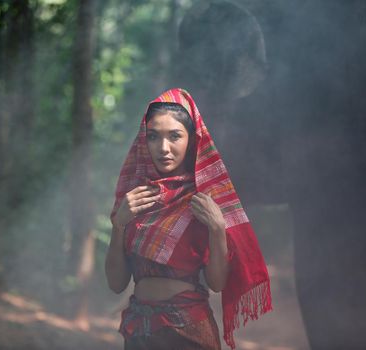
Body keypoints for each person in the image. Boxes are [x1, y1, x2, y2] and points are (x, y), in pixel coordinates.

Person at [105, 88, 272, 349]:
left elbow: (216, 283)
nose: (163, 148)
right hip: (140, 331)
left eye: (175, 136)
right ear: (143, 141)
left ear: (191, 140)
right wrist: (118, 224)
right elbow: (116, 284)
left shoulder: (202, 200)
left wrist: (218, 227)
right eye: (153, 137)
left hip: (187, 332)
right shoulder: (135, 199)